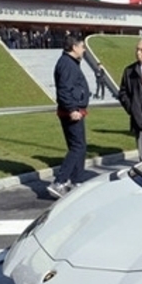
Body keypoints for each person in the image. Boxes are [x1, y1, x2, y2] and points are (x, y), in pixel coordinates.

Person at [48, 35, 90, 199]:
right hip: (71, 112)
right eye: (82, 46)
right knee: (77, 146)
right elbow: (64, 90)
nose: (84, 50)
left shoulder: (70, 63)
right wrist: (72, 109)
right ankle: (60, 181)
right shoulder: (67, 64)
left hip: (75, 110)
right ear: (74, 47)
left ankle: (77, 180)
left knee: (80, 146)